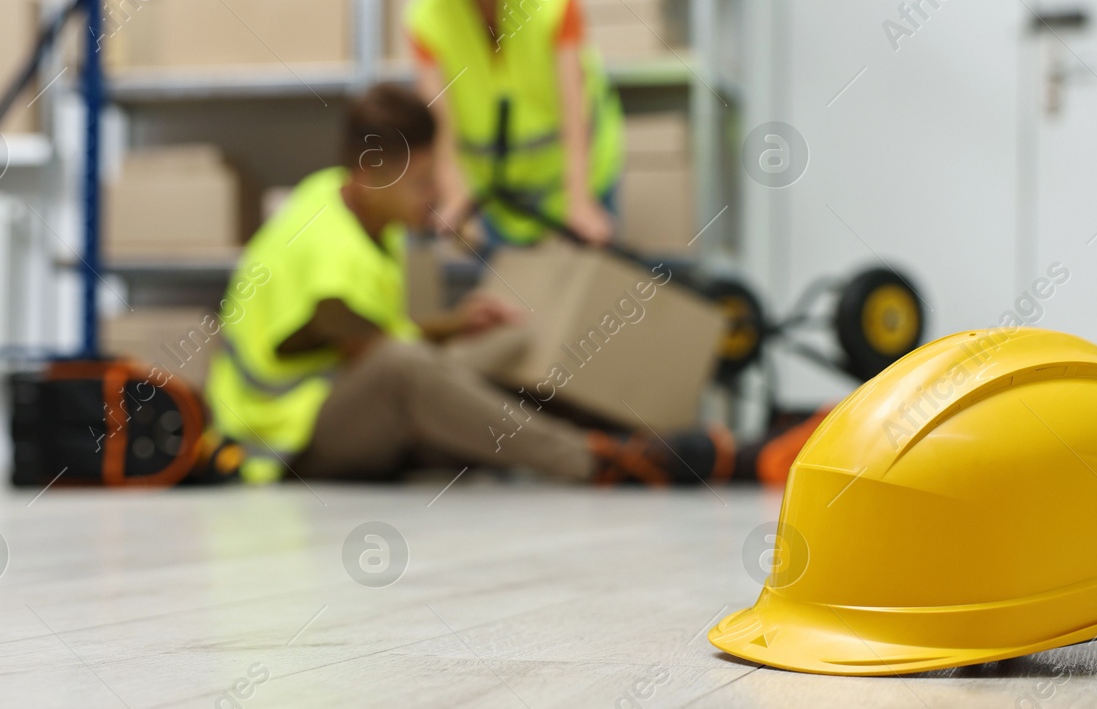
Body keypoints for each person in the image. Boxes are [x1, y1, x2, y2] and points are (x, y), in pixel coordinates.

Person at [205, 84, 732, 485]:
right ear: (369, 178)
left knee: (498, 342)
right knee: (414, 371)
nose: (435, 196)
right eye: (421, 184)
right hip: (284, 443)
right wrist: (445, 336)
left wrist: (458, 326)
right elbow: (384, 358)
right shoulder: (324, 249)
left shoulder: (345, 202)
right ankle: (598, 461)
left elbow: (371, 338)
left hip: (336, 396)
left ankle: (626, 434)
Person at [404, 0, 625, 247]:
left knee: (584, 299)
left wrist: (579, 199)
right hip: (496, 197)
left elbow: (574, 109)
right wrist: (456, 198)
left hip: (576, 176)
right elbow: (441, 128)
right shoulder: (425, 16)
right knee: (507, 303)